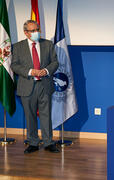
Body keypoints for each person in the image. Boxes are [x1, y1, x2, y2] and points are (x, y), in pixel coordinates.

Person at [11, 20, 59, 154]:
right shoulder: (18, 47)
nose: (36, 33)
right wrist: (30, 71)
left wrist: (47, 70)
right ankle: (33, 142)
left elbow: (55, 62)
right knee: (30, 116)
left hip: (45, 85)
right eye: (32, 31)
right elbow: (14, 65)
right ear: (26, 33)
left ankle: (49, 142)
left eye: (37, 29)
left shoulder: (48, 44)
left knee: (46, 115)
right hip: (27, 85)